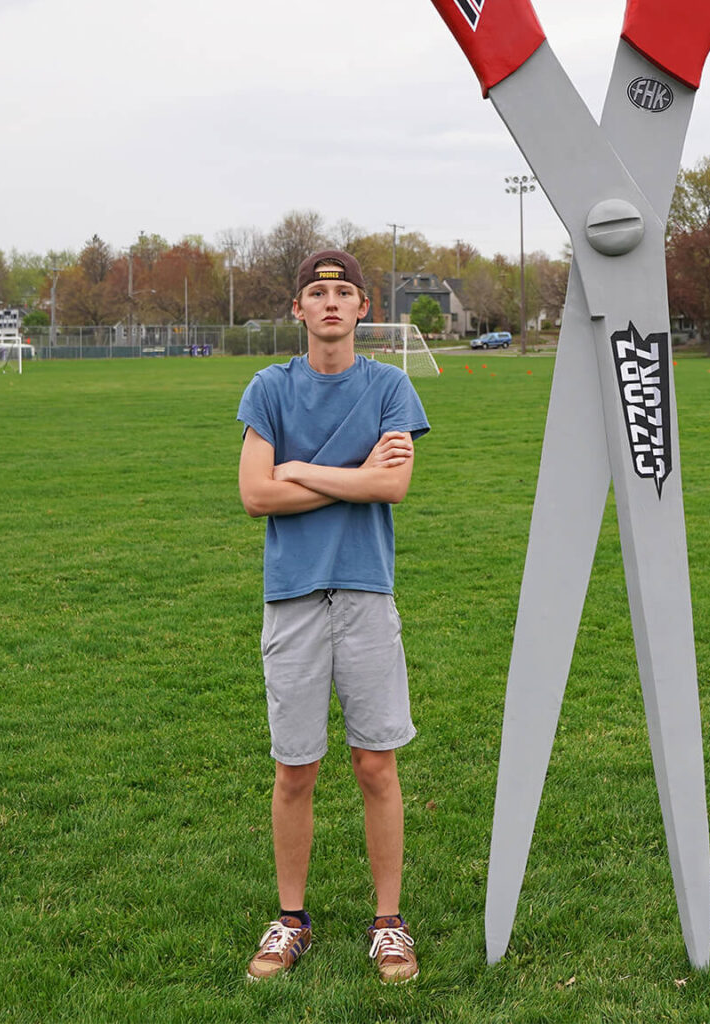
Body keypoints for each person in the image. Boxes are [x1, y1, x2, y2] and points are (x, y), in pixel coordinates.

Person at [235, 249, 431, 983]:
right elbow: (255, 496)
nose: (329, 303)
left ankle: (388, 922)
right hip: (291, 594)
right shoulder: (269, 388)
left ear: (362, 309)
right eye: (316, 293)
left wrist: (301, 469)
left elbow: (395, 487)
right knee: (296, 769)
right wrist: (354, 478)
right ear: (298, 309)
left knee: (375, 763)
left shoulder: (389, 386)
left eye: (343, 292)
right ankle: (291, 921)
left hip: (364, 591)